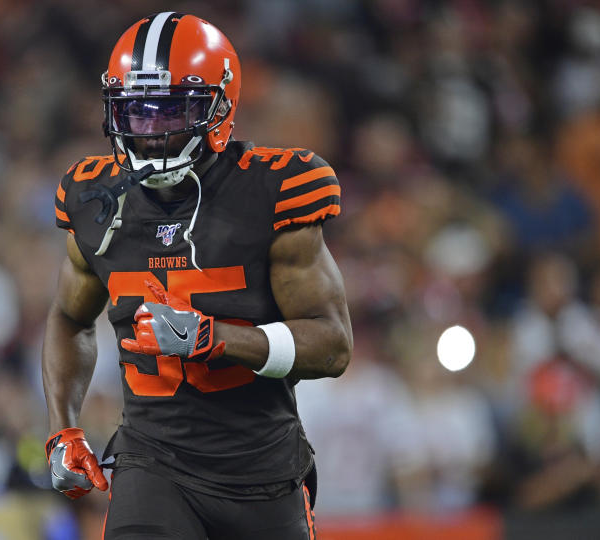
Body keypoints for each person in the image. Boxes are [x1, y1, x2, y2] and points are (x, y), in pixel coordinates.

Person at [42, 12, 353, 539]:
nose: (151, 132)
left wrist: (215, 339)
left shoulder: (274, 189)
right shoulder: (95, 198)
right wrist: (63, 429)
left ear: (219, 107)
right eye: (136, 113)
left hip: (263, 470)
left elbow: (333, 345)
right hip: (152, 460)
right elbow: (70, 319)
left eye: (171, 112)